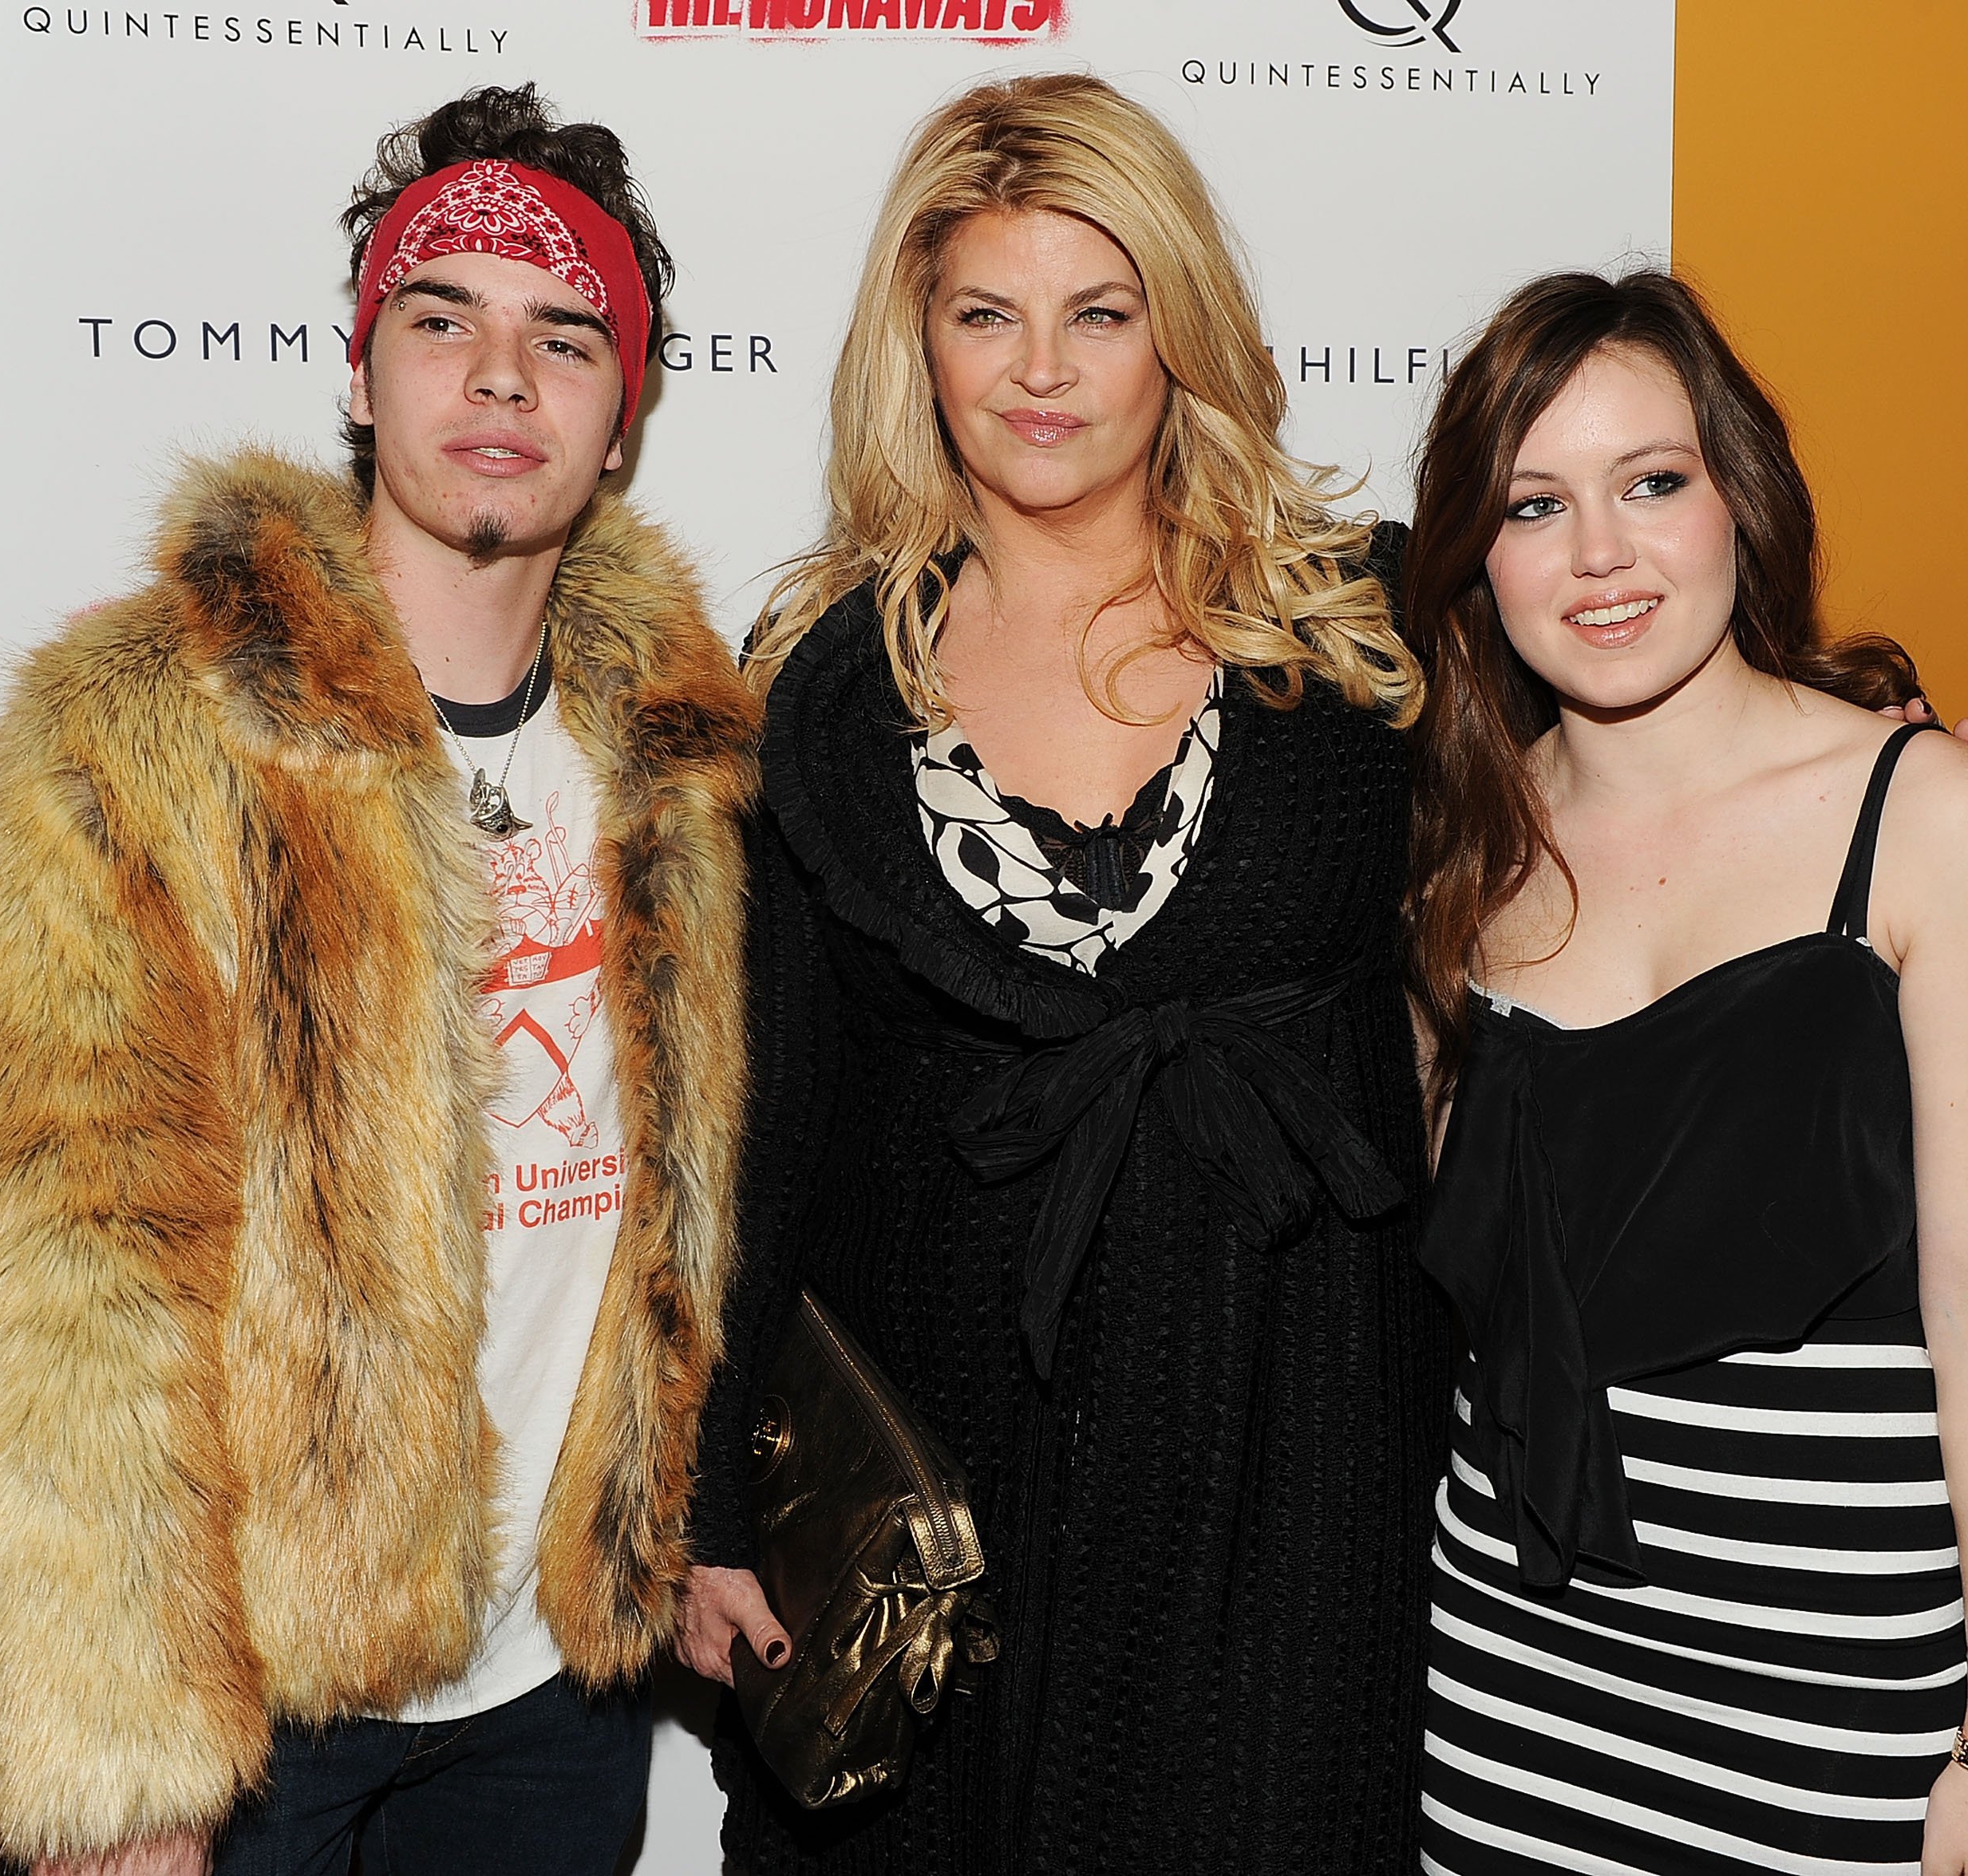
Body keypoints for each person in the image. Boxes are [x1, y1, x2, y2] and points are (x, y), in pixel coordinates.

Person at [0, 85, 757, 1876]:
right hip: (252, 1712)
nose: (501, 378)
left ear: (622, 424)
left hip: (552, 1694)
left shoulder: (684, 760)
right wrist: (116, 1761)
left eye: (564, 336)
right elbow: (49, 1257)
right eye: (443, 320)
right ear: (361, 376)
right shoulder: (139, 734)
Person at [674, 73, 1451, 1874]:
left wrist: (1876, 782)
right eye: (985, 315)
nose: (1041, 370)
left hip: (1291, 1441)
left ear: (1177, 331)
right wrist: (714, 1501)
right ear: (917, 342)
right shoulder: (824, 685)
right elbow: (765, 1121)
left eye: (1099, 312)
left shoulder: (1365, 630)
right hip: (940, 1471)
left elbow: (1624, 811)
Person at [1401, 271, 1968, 1874]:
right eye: (1534, 504)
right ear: (1477, 558)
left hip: (1838, 1710)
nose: (1603, 555)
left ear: (1738, 498)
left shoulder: (1933, 819)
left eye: (1652, 482)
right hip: (1514, 1692)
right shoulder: (1454, 867)